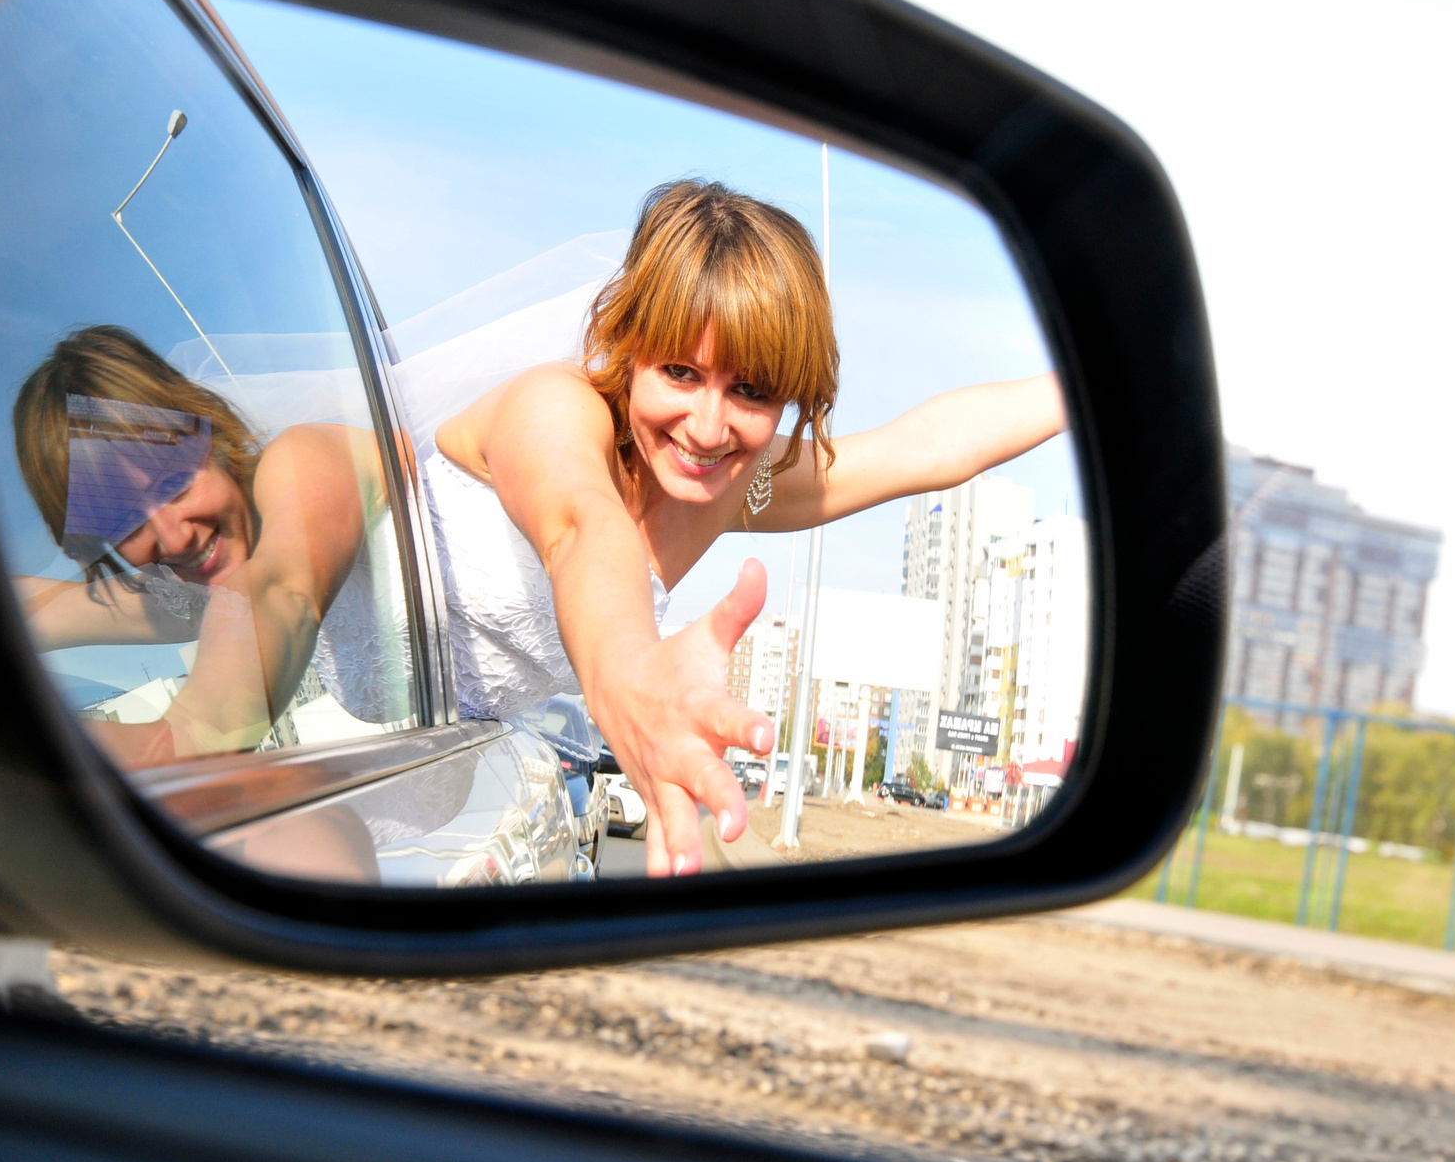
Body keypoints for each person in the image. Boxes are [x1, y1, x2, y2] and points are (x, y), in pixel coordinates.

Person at [424, 179, 1063, 877]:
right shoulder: (554, 408)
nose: (706, 428)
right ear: (628, 342)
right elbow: (583, 526)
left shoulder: (730, 494)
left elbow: (929, 448)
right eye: (679, 372)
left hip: (429, 763)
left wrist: (1102, 385)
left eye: (751, 391)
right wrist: (632, 677)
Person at [9, 325, 396, 769]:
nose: (174, 539)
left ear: (211, 435)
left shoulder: (301, 459)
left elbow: (280, 590)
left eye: (174, 482)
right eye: (122, 521)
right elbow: (25, 611)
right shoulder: (194, 593)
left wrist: (173, 747)